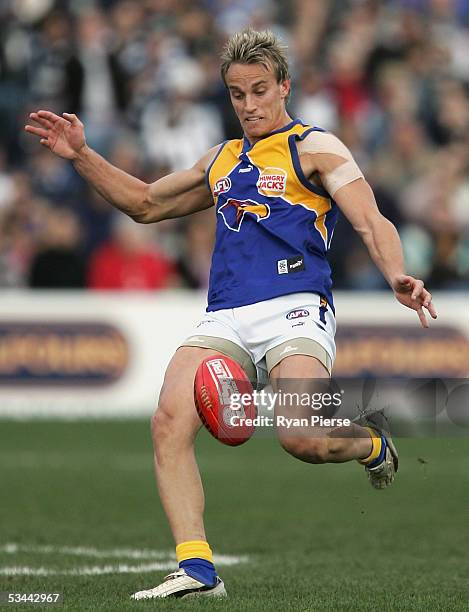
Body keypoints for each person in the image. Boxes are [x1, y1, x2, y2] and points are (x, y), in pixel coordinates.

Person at [25, 29, 437, 600]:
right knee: (169, 417)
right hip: (226, 316)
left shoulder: (316, 147)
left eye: (260, 91)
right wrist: (82, 157)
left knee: (303, 438)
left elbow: (371, 221)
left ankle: (372, 442)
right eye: (237, 94)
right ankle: (197, 570)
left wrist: (396, 273)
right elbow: (145, 204)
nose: (248, 105)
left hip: (296, 309)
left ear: (284, 86)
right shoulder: (222, 159)